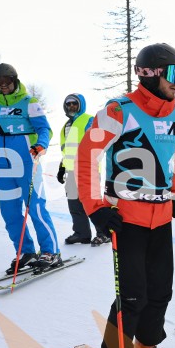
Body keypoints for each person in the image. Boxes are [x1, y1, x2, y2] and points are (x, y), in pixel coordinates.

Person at [77, 42, 175, 348]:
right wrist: (96, 208)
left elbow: (164, 160)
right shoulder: (118, 111)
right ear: (150, 73)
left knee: (160, 292)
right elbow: (85, 155)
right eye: (174, 74)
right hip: (128, 218)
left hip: (161, 217)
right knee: (133, 296)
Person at [0, 63, 61, 274]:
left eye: (7, 82)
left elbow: (44, 128)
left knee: (35, 206)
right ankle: (25, 251)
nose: (3, 86)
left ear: (14, 80)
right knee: (9, 211)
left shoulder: (29, 102)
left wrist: (41, 145)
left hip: (27, 158)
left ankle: (51, 251)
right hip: (4, 161)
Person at [56, 93, 110, 247]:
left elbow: (97, 142)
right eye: (69, 104)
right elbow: (67, 151)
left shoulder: (88, 120)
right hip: (72, 171)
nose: (71, 106)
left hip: (88, 169)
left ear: (81, 105)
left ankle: (103, 234)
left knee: (91, 203)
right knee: (74, 204)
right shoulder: (66, 126)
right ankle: (82, 233)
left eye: (74, 104)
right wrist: (62, 168)